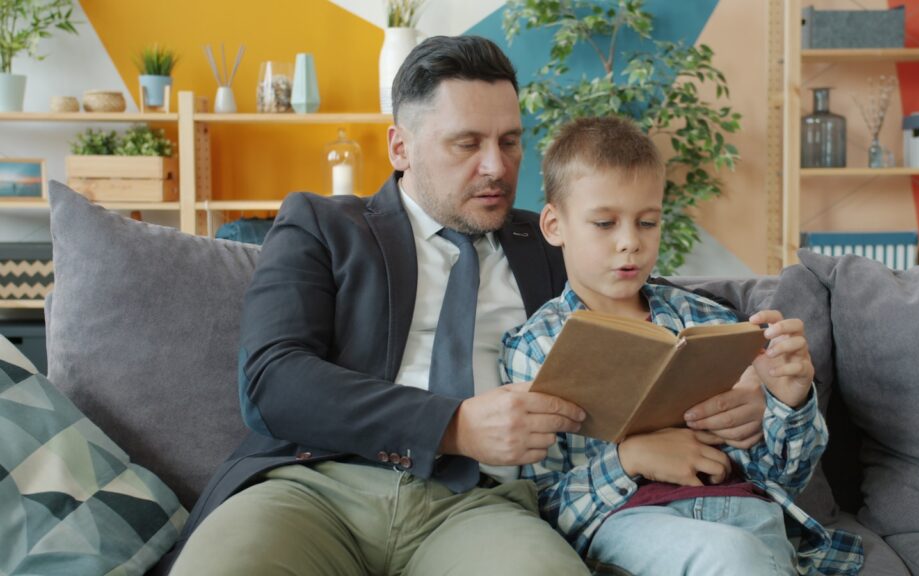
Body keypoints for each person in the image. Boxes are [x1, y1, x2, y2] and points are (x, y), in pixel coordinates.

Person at [163, 37, 766, 576]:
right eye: (466, 144)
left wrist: (745, 378)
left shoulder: (553, 238)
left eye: (509, 142)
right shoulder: (323, 225)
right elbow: (272, 380)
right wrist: (452, 425)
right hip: (314, 489)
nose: (497, 168)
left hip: (482, 508)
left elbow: (664, 307)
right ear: (401, 146)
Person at [501, 116, 865, 576]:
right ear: (554, 225)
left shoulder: (709, 322)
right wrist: (628, 458)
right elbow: (540, 508)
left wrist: (787, 400)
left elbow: (783, 478)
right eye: (604, 223)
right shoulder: (534, 347)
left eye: (647, 222)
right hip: (631, 523)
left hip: (747, 513)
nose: (630, 242)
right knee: (733, 558)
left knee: (747, 550)